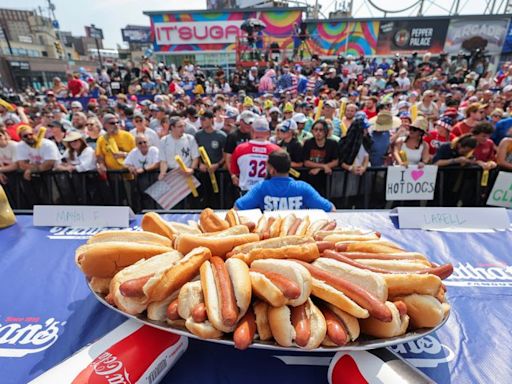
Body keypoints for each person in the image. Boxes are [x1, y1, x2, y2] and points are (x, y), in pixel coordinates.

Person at [234, 150, 334, 212]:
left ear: (272, 170)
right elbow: (330, 209)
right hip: (298, 240)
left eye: (267, 166)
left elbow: (237, 208)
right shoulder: (303, 188)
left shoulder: (261, 188)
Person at [230, 117, 280, 194]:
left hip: (248, 191)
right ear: (268, 132)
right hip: (268, 192)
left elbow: (235, 171)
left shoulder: (240, 149)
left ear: (252, 131)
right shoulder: (276, 150)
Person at [303, 119, 339, 196]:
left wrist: (319, 169)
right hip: (311, 179)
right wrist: (323, 166)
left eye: (321, 130)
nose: (318, 132)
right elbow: (306, 162)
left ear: (325, 131)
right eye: (315, 130)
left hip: (327, 180)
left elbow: (336, 161)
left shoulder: (333, 143)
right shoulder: (308, 143)